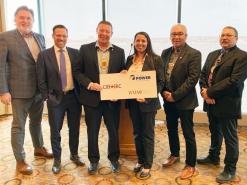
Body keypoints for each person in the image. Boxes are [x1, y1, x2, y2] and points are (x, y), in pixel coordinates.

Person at [0, 6, 53, 175]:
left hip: (38, 91)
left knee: (36, 122)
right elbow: (0, 66)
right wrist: (3, 91)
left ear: (33, 20)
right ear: (15, 20)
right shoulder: (5, 37)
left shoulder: (40, 37)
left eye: (28, 18)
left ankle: (38, 148)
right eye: (21, 18)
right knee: (18, 127)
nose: (25, 21)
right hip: (18, 92)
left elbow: (43, 64)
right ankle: (20, 160)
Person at [197, 26, 247, 183]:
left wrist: (210, 93)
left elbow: (234, 81)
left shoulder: (243, 56)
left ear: (236, 38)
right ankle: (213, 157)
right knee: (214, 131)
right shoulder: (213, 54)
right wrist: (204, 92)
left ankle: (230, 169)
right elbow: (203, 75)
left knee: (230, 137)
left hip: (227, 104)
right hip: (210, 103)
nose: (225, 38)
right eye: (222, 35)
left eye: (229, 35)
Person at [74, 21, 125, 174]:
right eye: (101, 30)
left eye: (107, 31)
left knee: (113, 131)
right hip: (91, 99)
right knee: (92, 131)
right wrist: (89, 84)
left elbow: (121, 73)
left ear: (111, 33)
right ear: (97, 31)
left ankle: (114, 159)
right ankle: (94, 161)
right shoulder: (84, 49)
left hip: (112, 101)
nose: (104, 34)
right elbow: (77, 72)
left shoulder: (120, 51)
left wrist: (123, 77)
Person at [36, 25, 84, 174]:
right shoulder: (44, 55)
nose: (61, 38)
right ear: (53, 36)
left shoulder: (75, 54)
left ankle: (74, 154)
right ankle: (57, 159)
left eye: (64, 36)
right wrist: (46, 97)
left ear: (67, 37)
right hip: (55, 99)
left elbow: (80, 74)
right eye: (58, 35)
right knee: (55, 130)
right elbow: (40, 78)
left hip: (73, 97)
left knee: (74, 128)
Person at [161, 24, 201, 179]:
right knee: (171, 129)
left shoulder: (194, 54)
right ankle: (174, 154)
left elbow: (192, 80)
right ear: (170, 36)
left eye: (180, 34)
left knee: (188, 133)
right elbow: (161, 74)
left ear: (186, 35)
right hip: (168, 100)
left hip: (185, 101)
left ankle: (190, 165)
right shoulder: (165, 52)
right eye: (173, 34)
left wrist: (175, 95)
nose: (176, 37)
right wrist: (163, 92)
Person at [124, 32, 164, 179]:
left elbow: (161, 82)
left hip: (148, 104)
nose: (140, 43)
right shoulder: (129, 59)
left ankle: (147, 165)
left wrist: (147, 96)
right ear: (134, 42)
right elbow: (126, 81)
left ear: (148, 42)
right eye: (138, 40)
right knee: (136, 133)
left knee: (147, 134)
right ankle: (140, 160)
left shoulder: (156, 59)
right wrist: (123, 74)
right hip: (133, 103)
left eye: (143, 41)